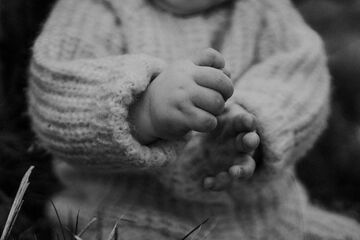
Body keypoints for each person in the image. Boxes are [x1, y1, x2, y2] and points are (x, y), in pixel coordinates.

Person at [27, 0, 360, 239]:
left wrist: (253, 125)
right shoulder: (94, 10)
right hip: (131, 222)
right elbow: (58, 95)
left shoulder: (266, 11)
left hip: (268, 219)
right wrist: (144, 109)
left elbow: (298, 77)